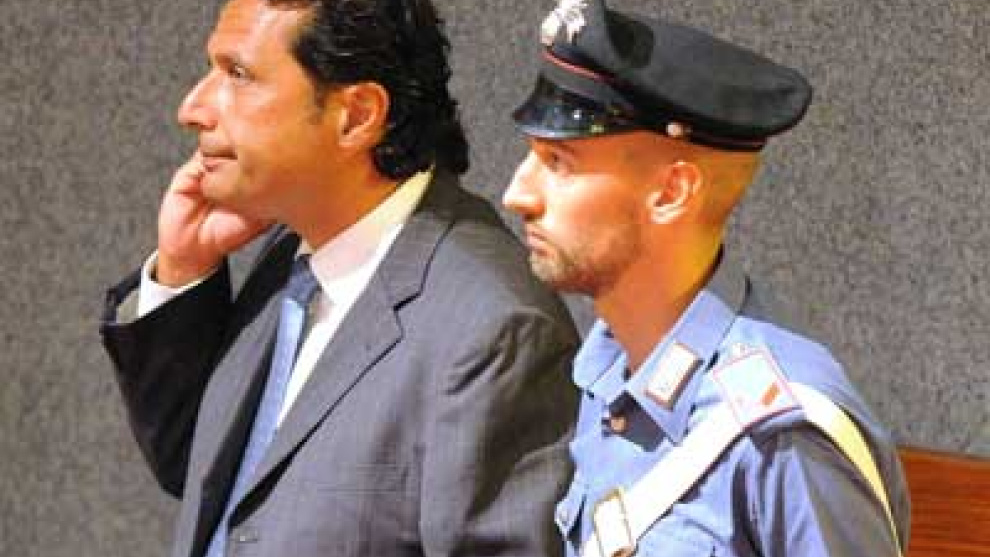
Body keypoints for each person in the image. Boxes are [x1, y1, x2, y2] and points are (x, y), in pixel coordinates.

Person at [99, 1, 580, 556]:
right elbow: (208, 476)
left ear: (357, 115)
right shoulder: (292, 253)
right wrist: (184, 270)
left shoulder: (494, 331)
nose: (193, 108)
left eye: (239, 74)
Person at [502, 1, 911, 556]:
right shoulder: (610, 372)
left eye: (559, 163)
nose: (518, 194)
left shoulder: (781, 436)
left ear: (671, 193)